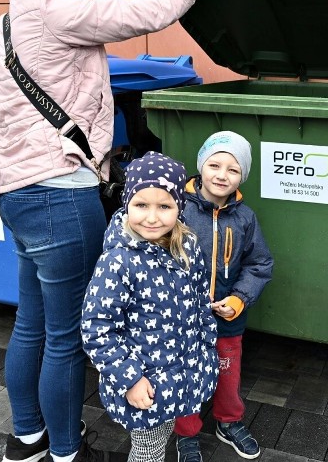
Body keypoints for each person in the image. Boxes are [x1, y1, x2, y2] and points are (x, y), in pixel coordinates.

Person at [0, 0, 226, 462]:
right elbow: (137, 15)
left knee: (33, 324)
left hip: (16, 190)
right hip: (59, 191)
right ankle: (67, 451)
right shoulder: (53, 7)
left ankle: (28, 440)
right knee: (66, 335)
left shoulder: (8, 18)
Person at [82, 152, 219, 462]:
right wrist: (129, 379)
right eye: (141, 205)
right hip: (146, 382)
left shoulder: (187, 246)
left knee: (157, 445)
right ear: (126, 203)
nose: (152, 217)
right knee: (148, 451)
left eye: (164, 206)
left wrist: (205, 355)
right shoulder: (118, 261)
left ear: (179, 207)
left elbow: (200, 306)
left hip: (179, 375)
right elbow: (97, 329)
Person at [173, 131, 273, 461]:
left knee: (227, 372)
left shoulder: (245, 217)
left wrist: (239, 299)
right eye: (214, 164)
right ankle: (186, 432)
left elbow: (259, 263)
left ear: (242, 176)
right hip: (185, 317)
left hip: (228, 317)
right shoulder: (178, 209)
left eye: (233, 169)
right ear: (201, 166)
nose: (221, 175)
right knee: (185, 374)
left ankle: (228, 422)